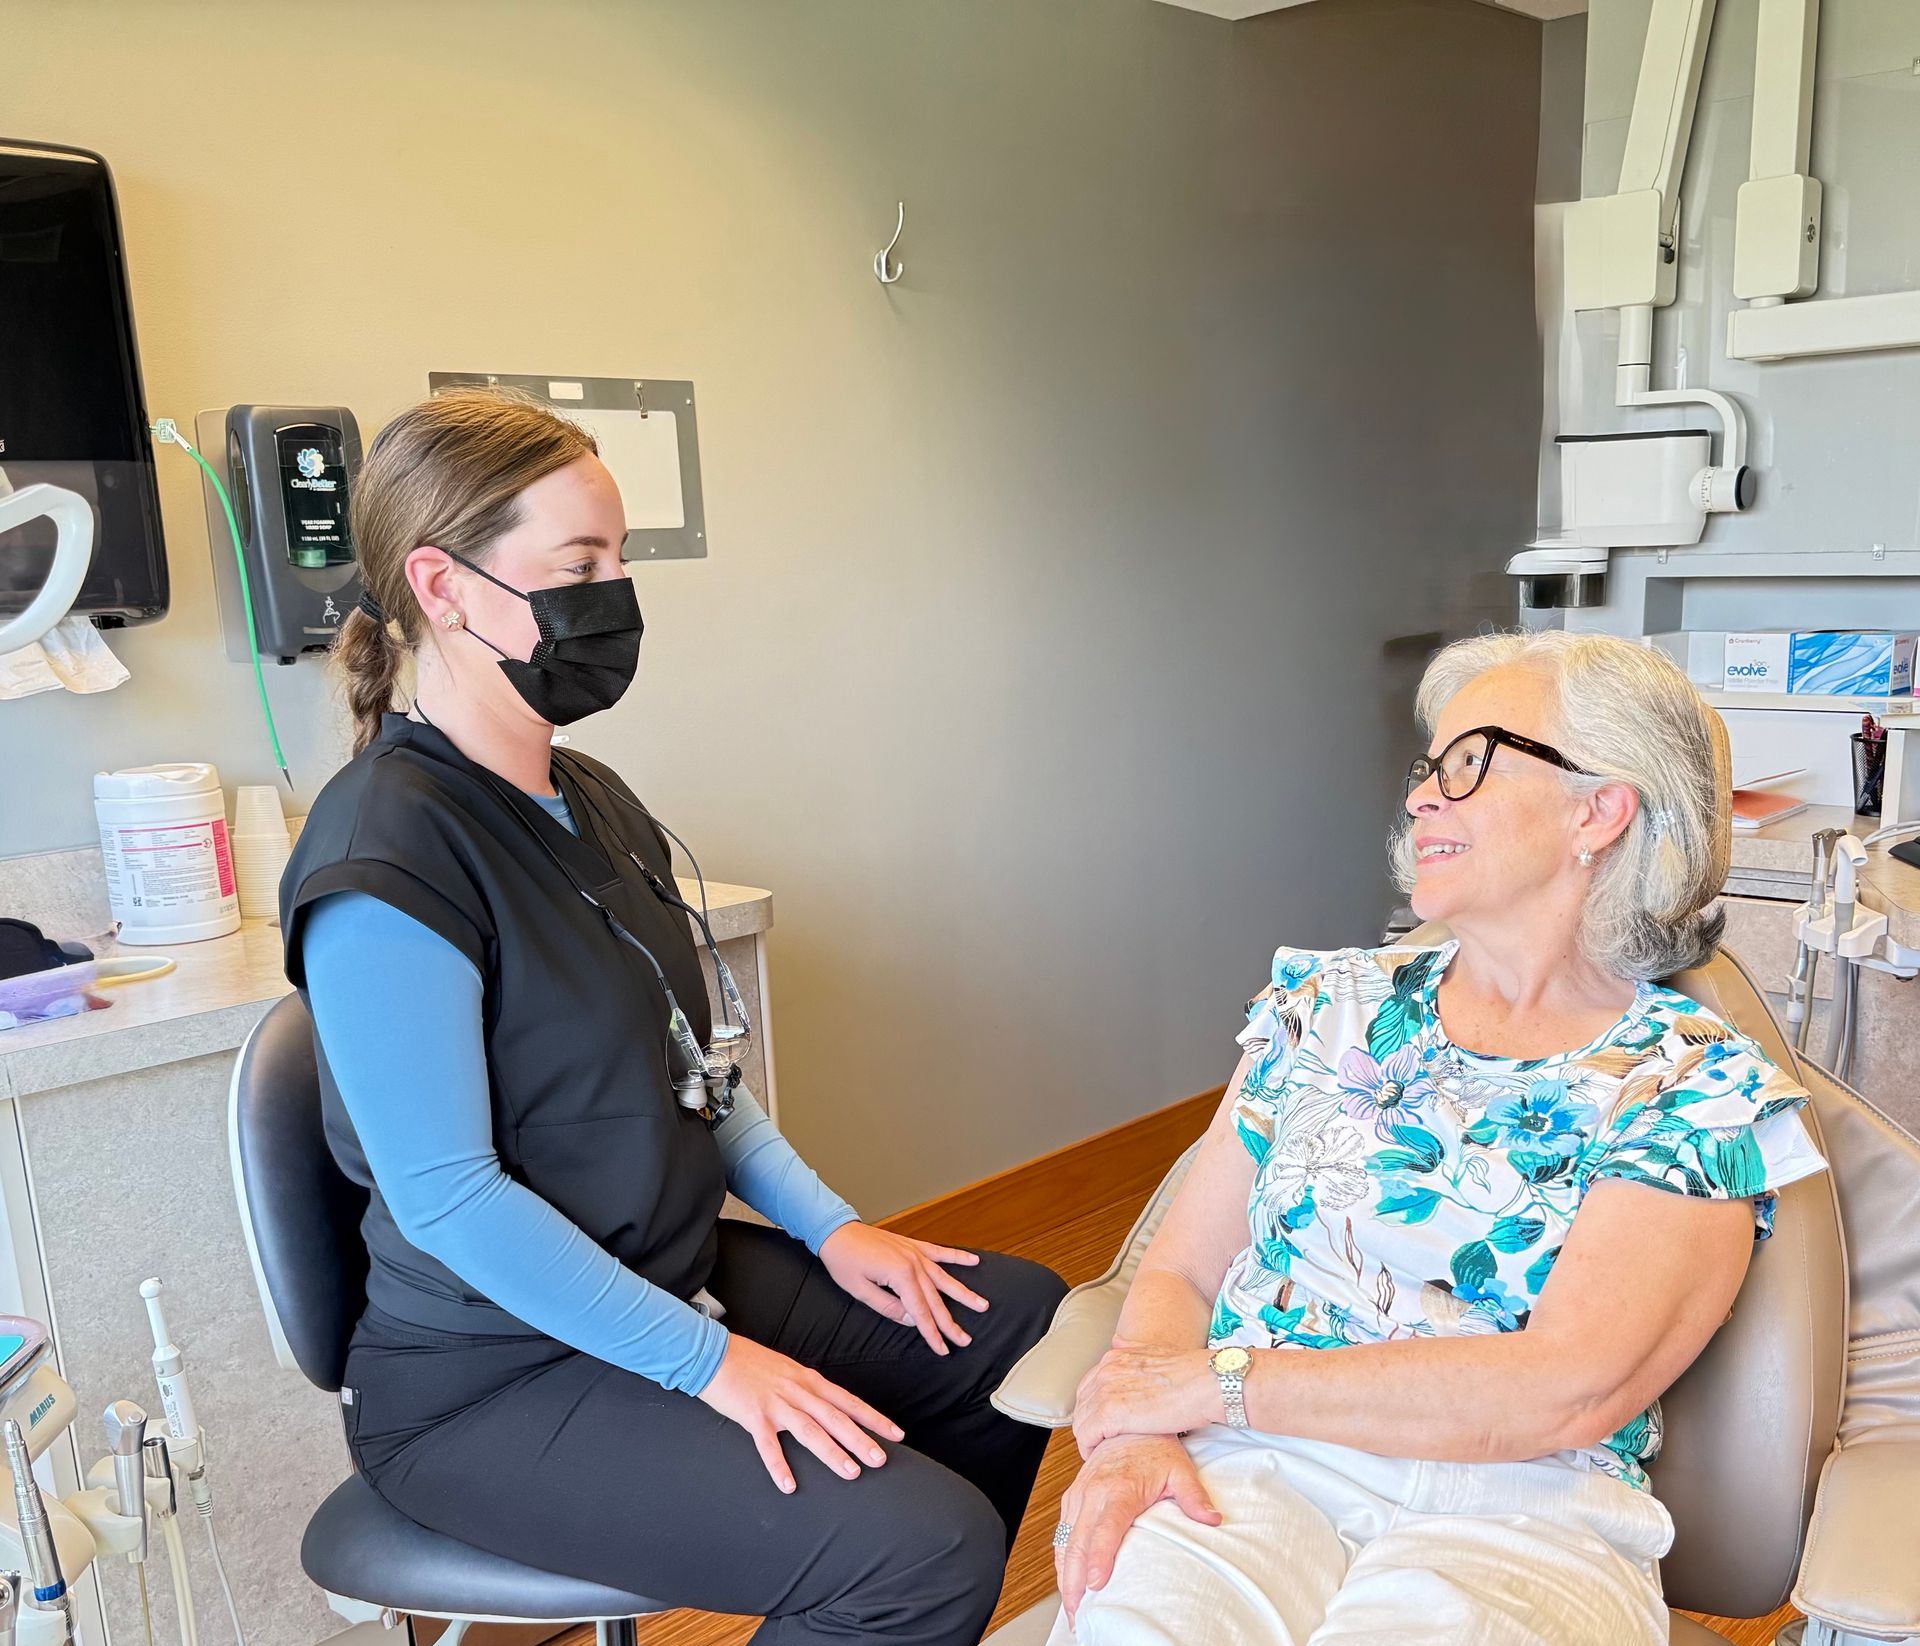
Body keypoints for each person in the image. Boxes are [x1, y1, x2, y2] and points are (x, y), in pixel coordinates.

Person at [280, 388, 1067, 1646]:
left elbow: (701, 1071)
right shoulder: (388, 857)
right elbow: (448, 1199)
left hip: (666, 1269)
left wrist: (838, 1225)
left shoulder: (588, 796)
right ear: (443, 583)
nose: (613, 597)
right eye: (578, 565)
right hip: (489, 1376)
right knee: (922, 1551)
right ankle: (896, 1590)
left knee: (1005, 1319)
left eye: (620, 562)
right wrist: (715, 1366)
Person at [1047, 630, 1827, 1646]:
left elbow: (1563, 1386)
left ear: (1598, 807)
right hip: (1251, 1464)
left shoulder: (1693, 1085)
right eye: (1429, 768)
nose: (1421, 796)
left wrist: (1216, 1380)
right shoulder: (1321, 1008)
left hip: (1522, 1506)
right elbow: (1183, 1270)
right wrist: (1133, 1431)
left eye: (1469, 764)